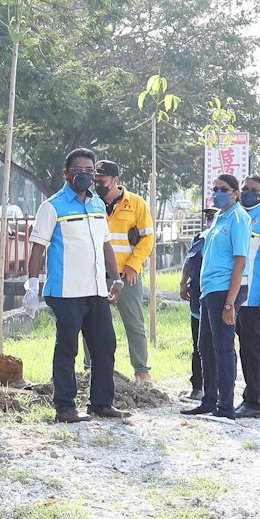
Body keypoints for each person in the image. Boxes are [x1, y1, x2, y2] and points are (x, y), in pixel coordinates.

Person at [23, 148, 128, 423]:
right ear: (66, 173)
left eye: (88, 171)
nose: (83, 175)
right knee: (68, 348)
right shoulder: (52, 206)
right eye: (77, 170)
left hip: (95, 290)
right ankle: (65, 407)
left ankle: (101, 403)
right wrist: (32, 286)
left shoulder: (97, 205)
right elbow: (37, 249)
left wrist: (115, 278)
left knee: (105, 345)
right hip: (66, 292)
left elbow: (106, 245)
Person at [183, 174, 250, 419]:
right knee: (205, 347)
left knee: (222, 348)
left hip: (225, 291)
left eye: (223, 189)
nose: (217, 193)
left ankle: (225, 406)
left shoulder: (239, 218)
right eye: (215, 188)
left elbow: (240, 262)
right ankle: (209, 400)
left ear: (235, 193)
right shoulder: (219, 218)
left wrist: (230, 303)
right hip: (209, 290)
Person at [93, 160, 155, 382]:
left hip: (126, 274)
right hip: (97, 274)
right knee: (93, 324)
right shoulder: (91, 203)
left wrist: (133, 265)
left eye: (102, 181)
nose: (97, 185)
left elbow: (148, 237)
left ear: (116, 180)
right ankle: (91, 369)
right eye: (95, 180)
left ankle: (142, 370)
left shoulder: (136, 203)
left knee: (134, 323)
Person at [181, 208, 217, 403]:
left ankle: (219, 389)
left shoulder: (223, 238)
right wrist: (182, 283)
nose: (210, 220)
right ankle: (197, 386)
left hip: (219, 299)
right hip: (197, 299)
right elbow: (188, 262)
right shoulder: (199, 238)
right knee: (198, 345)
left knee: (219, 345)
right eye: (208, 216)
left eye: (214, 216)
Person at [234, 176, 260, 418]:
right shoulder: (240, 215)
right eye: (246, 189)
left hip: (254, 296)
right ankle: (251, 394)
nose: (249, 193)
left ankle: (254, 401)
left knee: (252, 349)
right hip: (242, 294)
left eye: (254, 190)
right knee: (248, 348)